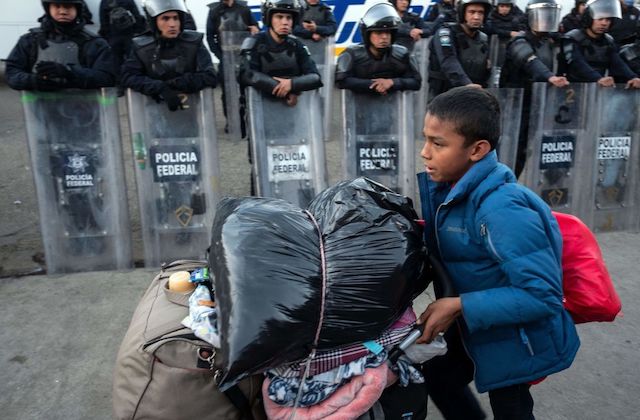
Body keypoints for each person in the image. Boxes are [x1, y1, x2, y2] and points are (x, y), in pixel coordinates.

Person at [416, 86, 581, 419]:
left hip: (517, 339)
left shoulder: (500, 208)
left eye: (438, 143)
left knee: (511, 407)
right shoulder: (455, 188)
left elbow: (543, 295)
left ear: (477, 150)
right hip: (478, 326)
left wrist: (460, 305)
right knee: (438, 377)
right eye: (426, 139)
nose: (425, 152)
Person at [500, 0, 569, 177]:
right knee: (508, 147)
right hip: (514, 105)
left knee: (525, 149)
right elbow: (529, 60)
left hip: (537, 103)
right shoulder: (519, 41)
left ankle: (512, 183)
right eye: (542, 15)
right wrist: (550, 77)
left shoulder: (550, 42)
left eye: (550, 15)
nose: (546, 20)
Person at [120, 0, 217, 111]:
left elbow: (210, 75)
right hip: (153, 112)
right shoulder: (141, 47)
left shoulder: (194, 43)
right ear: (155, 22)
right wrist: (159, 88)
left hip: (193, 112)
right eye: (165, 19)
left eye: (176, 18)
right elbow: (128, 76)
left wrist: (178, 83)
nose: (172, 24)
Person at [6, 0, 116, 91]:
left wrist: (70, 72)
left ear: (77, 9)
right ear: (48, 9)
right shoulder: (30, 40)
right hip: (40, 113)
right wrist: (33, 81)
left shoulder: (94, 43)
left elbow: (107, 78)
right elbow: (12, 72)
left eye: (68, 6)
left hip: (84, 112)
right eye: (57, 6)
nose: (62, 11)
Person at [237, 0, 322, 106]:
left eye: (289, 18)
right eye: (279, 17)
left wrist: (292, 84)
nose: (285, 22)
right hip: (259, 110)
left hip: (294, 114)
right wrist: (285, 90)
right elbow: (247, 75)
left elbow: (315, 77)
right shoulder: (254, 43)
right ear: (269, 19)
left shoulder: (296, 45)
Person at [335, 2, 421, 95]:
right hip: (358, 106)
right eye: (378, 33)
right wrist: (374, 85)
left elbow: (416, 82)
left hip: (393, 106)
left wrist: (392, 82)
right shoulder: (352, 53)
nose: (384, 37)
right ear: (368, 35)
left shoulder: (402, 53)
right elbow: (341, 80)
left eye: (387, 32)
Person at [559, 0, 640, 88]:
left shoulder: (608, 40)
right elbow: (577, 62)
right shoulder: (572, 38)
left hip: (596, 89)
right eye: (600, 19)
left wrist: (633, 77)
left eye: (608, 20)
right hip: (571, 89)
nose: (604, 23)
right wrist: (598, 79)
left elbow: (617, 63)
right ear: (589, 18)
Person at [428, 0, 492, 97]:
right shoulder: (446, 33)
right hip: (443, 96)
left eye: (481, 13)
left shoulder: (483, 39)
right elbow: (448, 60)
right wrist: (466, 84)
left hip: (472, 96)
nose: (476, 17)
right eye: (472, 12)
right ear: (462, 14)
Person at [98, 0, 147, 71]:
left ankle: (118, 77)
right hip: (128, 32)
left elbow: (103, 20)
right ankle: (130, 75)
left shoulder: (104, 2)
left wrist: (106, 35)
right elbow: (136, 15)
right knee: (132, 57)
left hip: (114, 34)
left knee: (116, 59)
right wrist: (138, 29)